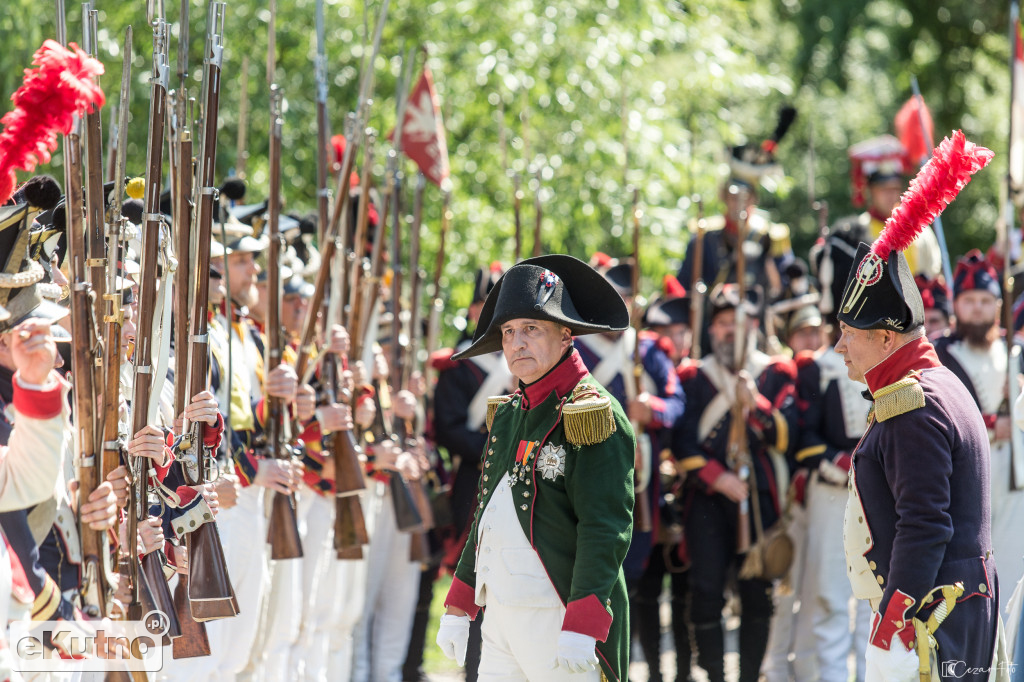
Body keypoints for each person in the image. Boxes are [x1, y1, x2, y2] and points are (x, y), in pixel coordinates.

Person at [435, 254, 635, 682]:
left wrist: (584, 623)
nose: (516, 343)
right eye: (508, 332)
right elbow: (487, 515)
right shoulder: (508, 414)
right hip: (501, 615)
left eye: (531, 329)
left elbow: (605, 528)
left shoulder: (592, 413)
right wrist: (459, 602)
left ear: (566, 336)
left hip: (558, 614)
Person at [671, 285, 797, 682]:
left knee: (757, 596)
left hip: (759, 498)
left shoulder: (777, 373)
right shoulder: (693, 377)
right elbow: (682, 440)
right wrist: (717, 477)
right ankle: (713, 674)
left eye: (737, 323)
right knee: (706, 592)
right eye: (723, 324)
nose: (730, 332)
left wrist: (755, 404)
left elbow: (784, 437)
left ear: (755, 326)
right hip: (708, 499)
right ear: (711, 329)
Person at [932, 250, 1024, 613]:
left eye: (986, 301)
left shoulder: (1015, 352)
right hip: (964, 472)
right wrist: (990, 423)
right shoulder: (939, 353)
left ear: (998, 305)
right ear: (956, 303)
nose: (977, 309)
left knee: (1014, 570)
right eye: (968, 300)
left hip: (1014, 476)